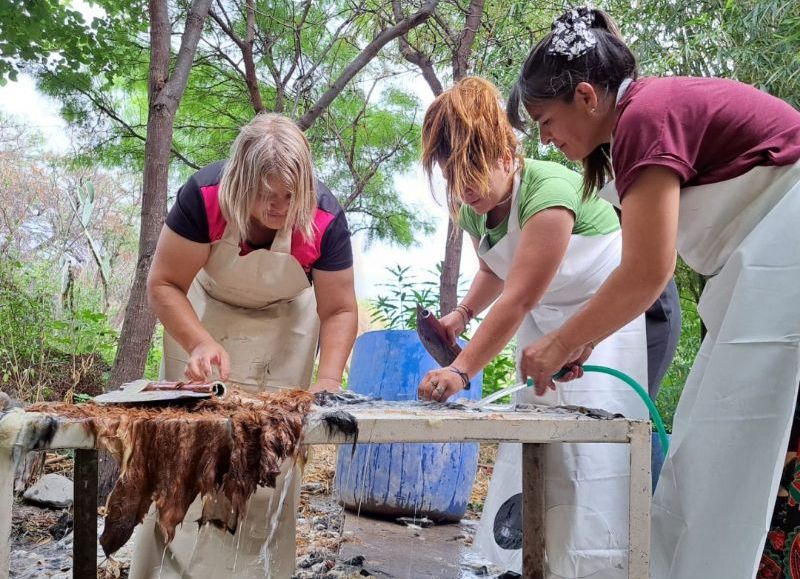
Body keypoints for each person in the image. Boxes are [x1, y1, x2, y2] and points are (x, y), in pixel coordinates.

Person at [508, 7, 800, 577]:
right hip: (765, 264)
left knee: (744, 435)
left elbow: (646, 273)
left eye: (545, 119)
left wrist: (561, 342)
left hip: (786, 250)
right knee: (720, 435)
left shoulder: (645, 116)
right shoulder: (635, 125)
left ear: (588, 97)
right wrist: (583, 341)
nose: (545, 137)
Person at [415, 75, 650, 577]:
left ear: (506, 154)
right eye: (453, 178)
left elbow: (518, 297)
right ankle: (529, 563)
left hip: (611, 310)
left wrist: (459, 371)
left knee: (594, 447)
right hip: (545, 318)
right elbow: (495, 269)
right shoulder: (474, 206)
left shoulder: (550, 190)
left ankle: (598, 567)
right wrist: (461, 316)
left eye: (473, 173)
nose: (465, 190)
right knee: (538, 441)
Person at [130, 113, 358, 578]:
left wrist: (329, 379)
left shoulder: (324, 218)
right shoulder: (204, 197)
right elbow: (165, 283)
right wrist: (198, 342)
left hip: (288, 322)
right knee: (182, 447)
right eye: (266, 194)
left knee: (266, 455)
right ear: (240, 181)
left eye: (290, 197)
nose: (279, 207)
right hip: (204, 310)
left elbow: (339, 310)